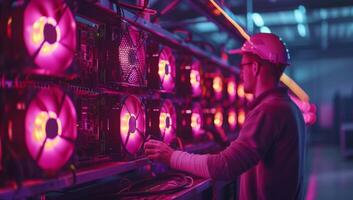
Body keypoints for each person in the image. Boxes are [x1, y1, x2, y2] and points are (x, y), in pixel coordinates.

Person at [144, 33, 306, 200]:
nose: (241, 73)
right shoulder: (289, 108)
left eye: (243, 66)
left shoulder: (269, 111)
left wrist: (171, 156)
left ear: (255, 67)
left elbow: (225, 166)